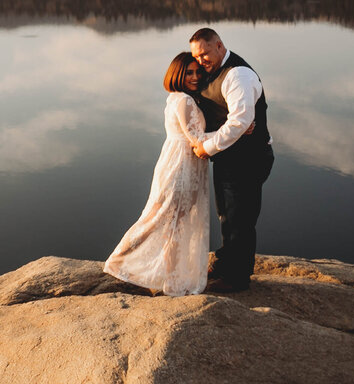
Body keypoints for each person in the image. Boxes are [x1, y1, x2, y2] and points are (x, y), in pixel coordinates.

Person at [103, 52, 211, 296]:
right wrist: (234, 131)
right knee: (164, 219)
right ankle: (121, 260)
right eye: (189, 73)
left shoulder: (175, 98)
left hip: (179, 161)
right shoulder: (184, 100)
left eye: (197, 72)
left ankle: (171, 278)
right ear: (178, 75)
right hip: (181, 167)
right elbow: (197, 139)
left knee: (174, 222)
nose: (195, 77)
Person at [188, 27, 274, 293]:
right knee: (226, 213)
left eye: (204, 54)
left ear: (219, 46)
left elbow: (240, 121)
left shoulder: (238, 74)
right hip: (229, 158)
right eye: (197, 56)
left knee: (241, 218)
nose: (201, 60)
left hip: (249, 158)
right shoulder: (213, 73)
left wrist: (207, 148)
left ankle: (238, 278)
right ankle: (226, 262)